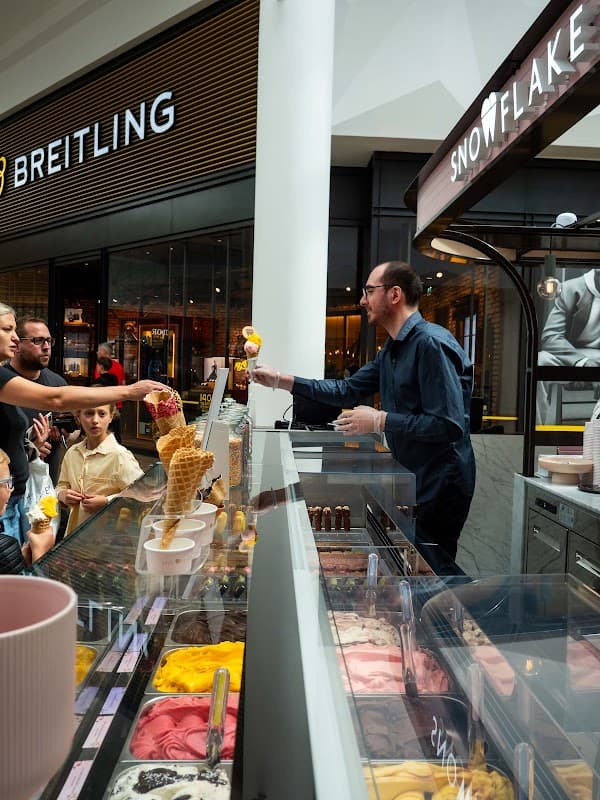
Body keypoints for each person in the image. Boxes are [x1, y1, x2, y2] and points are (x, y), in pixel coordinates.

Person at [252, 261, 476, 575]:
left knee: (432, 568)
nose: (362, 300)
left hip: (441, 480)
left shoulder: (430, 344)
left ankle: (467, 608)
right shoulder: (393, 349)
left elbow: (448, 425)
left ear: (395, 294)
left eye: (369, 291)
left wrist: (380, 421)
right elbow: (346, 390)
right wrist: (279, 380)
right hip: (413, 477)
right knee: (415, 565)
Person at [0, 302, 167, 542]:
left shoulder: (119, 456)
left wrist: (33, 448)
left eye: (48, 340)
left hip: (20, 493)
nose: (14, 338)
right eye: (7, 330)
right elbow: (56, 399)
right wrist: (129, 391)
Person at [56, 402, 144, 536]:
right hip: (75, 535)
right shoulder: (72, 453)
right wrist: (62, 495)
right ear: (78, 417)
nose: (95, 420)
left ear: (111, 416)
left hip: (109, 538)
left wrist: (107, 501)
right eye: (89, 413)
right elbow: (62, 485)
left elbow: (141, 494)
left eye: (102, 414)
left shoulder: (119, 456)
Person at [5, 316, 68, 485]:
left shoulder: (57, 383)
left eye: (49, 341)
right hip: (10, 486)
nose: (46, 347)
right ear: (17, 344)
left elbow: (69, 432)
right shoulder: (4, 381)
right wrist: (31, 449)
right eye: (38, 341)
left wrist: (60, 434)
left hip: (46, 483)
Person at [537, 269, 600, 423]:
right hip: (572, 354)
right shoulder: (572, 288)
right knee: (540, 360)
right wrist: (582, 362)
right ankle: (536, 429)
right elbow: (551, 336)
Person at [0, 448, 54, 574]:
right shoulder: (4, 549)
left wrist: (21, 560)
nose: (11, 489)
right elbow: (27, 587)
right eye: (7, 482)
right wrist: (40, 555)